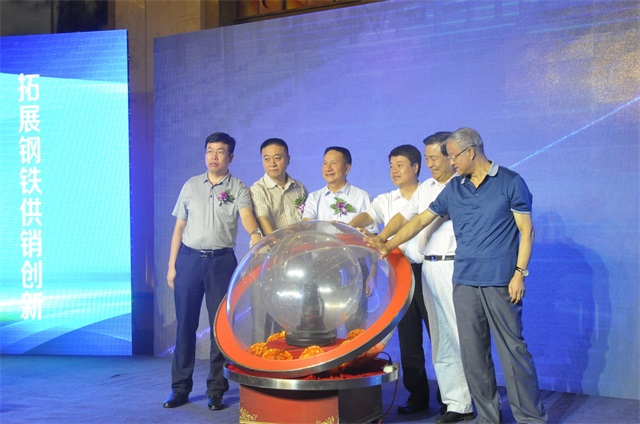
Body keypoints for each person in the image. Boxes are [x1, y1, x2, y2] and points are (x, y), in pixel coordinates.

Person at [367, 128, 547, 424]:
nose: (450, 162)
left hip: (500, 280)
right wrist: (387, 244)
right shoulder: (455, 189)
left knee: (513, 349)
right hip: (463, 281)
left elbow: (526, 231)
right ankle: (487, 417)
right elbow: (420, 220)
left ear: (470, 152)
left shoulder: (510, 181)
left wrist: (520, 273)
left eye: (453, 156)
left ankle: (530, 417)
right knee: (473, 353)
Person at [373, 132, 474, 423]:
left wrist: (387, 243)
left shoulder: (462, 185)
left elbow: (419, 221)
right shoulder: (427, 186)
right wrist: (382, 239)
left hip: (453, 267)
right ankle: (455, 402)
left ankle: (471, 398)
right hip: (426, 267)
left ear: (451, 157)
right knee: (441, 341)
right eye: (427, 157)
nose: (430, 164)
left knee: (459, 336)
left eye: (434, 158)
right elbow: (406, 217)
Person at [163, 132, 263, 411]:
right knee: (185, 326)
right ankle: (179, 388)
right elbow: (179, 227)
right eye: (210, 150)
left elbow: (246, 215)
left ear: (230, 157)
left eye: (220, 151)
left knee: (220, 329)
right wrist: (172, 266)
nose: (213, 156)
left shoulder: (238, 188)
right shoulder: (191, 185)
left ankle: (216, 390)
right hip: (189, 261)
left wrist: (254, 233)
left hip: (221, 262)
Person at [348, 144, 438, 415]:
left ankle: (451, 398)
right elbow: (369, 215)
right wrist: (354, 224)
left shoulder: (430, 192)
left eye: (400, 165)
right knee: (409, 341)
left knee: (440, 337)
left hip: (431, 272)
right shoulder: (386, 199)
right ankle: (417, 396)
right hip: (401, 275)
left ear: (416, 167)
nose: (394, 171)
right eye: (391, 166)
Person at [303, 146, 374, 330]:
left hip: (355, 267)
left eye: (333, 163)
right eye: (325, 163)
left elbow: (372, 237)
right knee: (324, 322)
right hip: (322, 267)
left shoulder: (362, 197)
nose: (328, 168)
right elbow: (306, 225)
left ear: (347, 168)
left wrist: (372, 274)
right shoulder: (314, 198)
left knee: (356, 322)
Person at [249, 138, 308, 341]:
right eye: (266, 159)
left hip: (295, 259)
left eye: (277, 158)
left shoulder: (299, 188)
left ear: (288, 159)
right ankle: (260, 359)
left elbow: (307, 221)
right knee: (262, 317)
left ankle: (286, 359)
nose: (272, 163)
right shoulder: (257, 189)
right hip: (267, 259)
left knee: (290, 315)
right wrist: (281, 246)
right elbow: (263, 220)